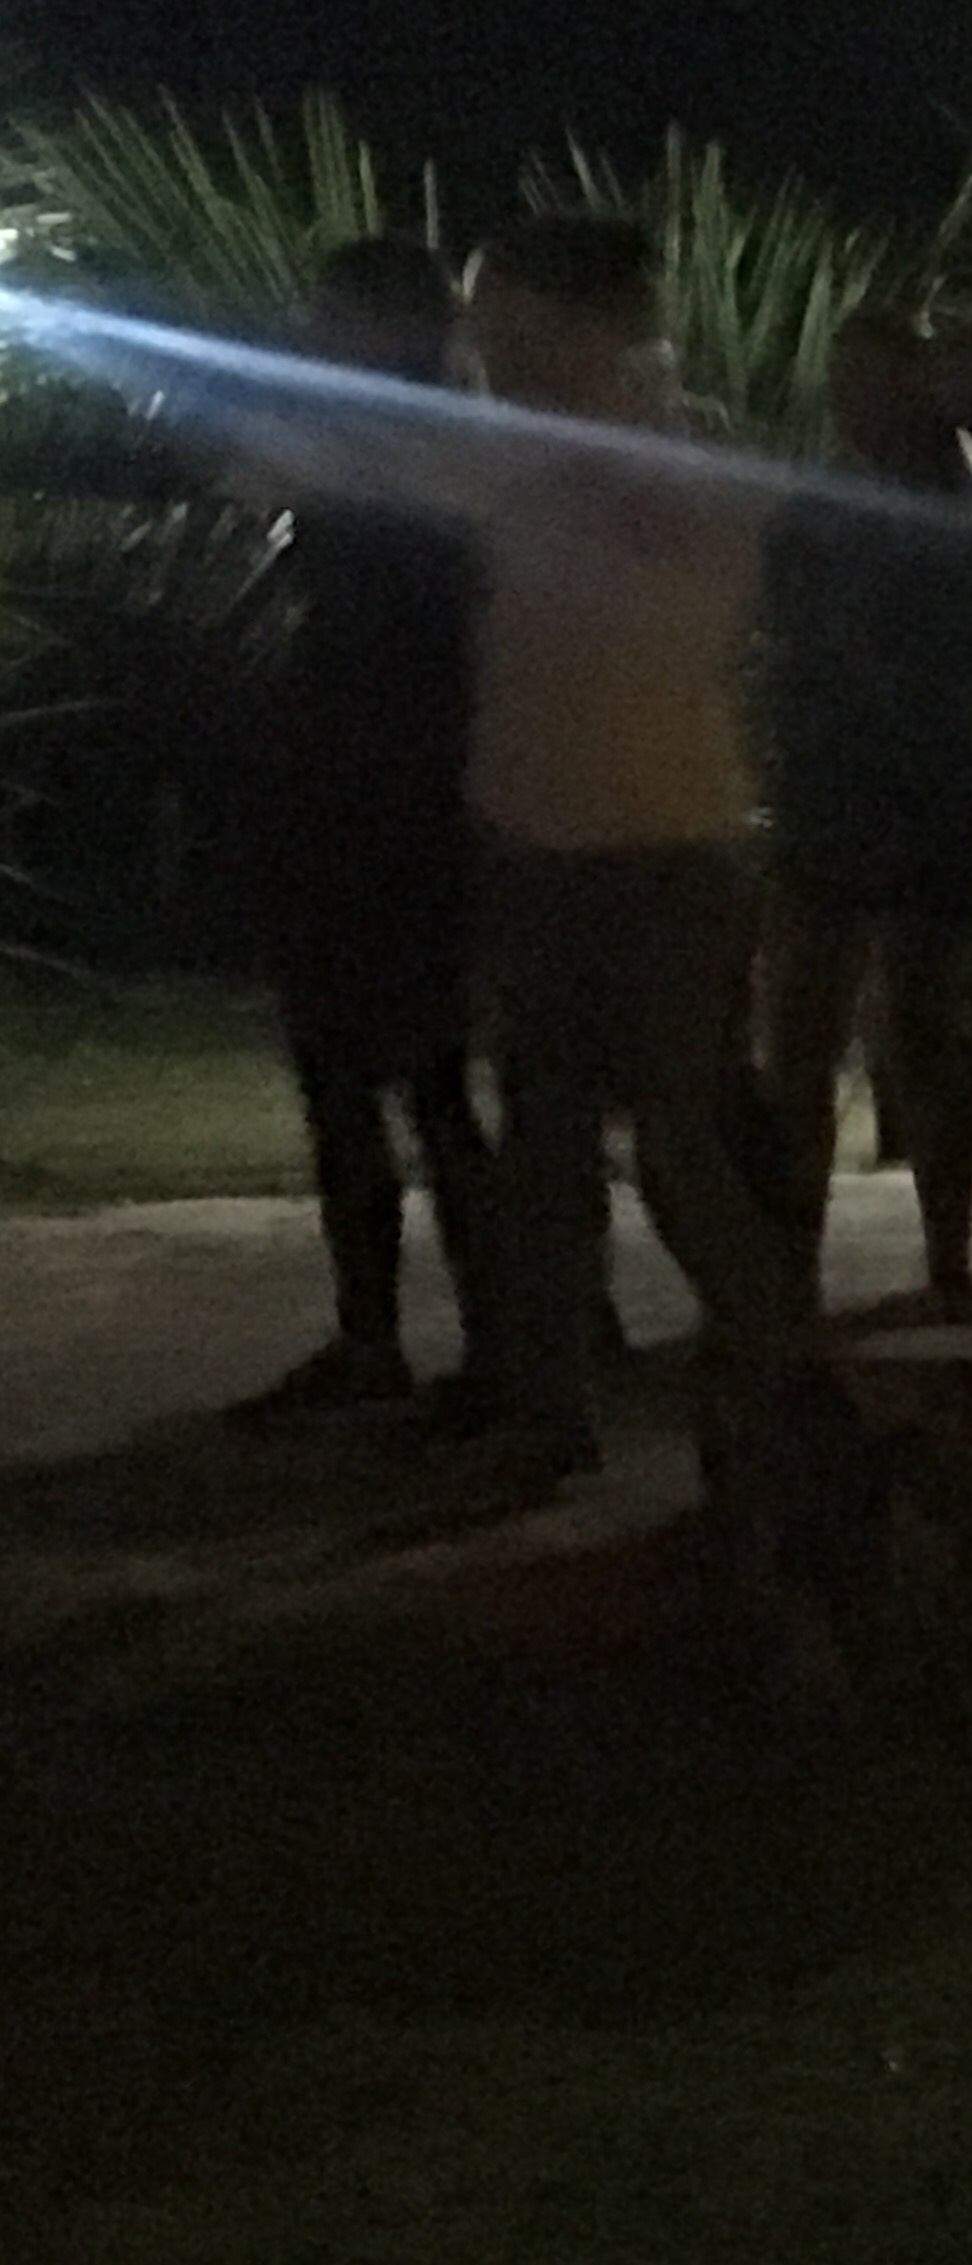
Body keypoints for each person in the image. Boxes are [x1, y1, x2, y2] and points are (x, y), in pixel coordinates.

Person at [448, 212, 830, 1479]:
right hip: (533, 832)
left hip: (666, 844)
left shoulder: (693, 457)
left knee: (679, 1139)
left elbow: (700, 586)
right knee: (547, 1144)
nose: (485, 349)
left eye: (506, 322)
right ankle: (554, 1413)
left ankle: (786, 1392)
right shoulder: (511, 448)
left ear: (581, 324)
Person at [227, 239, 500, 1421]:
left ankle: (471, 1345)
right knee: (363, 1079)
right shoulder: (404, 437)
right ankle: (387, 1337)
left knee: (418, 1083)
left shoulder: (427, 444)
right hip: (353, 778)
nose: (314, 331)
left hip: (396, 786)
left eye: (333, 315)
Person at [752, 310, 972, 1314]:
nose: (854, 405)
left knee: (911, 1038)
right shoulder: (840, 501)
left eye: (872, 383)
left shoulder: (947, 508)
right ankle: (805, 1269)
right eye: (847, 385)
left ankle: (941, 1264)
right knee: (813, 1041)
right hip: (847, 790)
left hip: (914, 795)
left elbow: (959, 654)